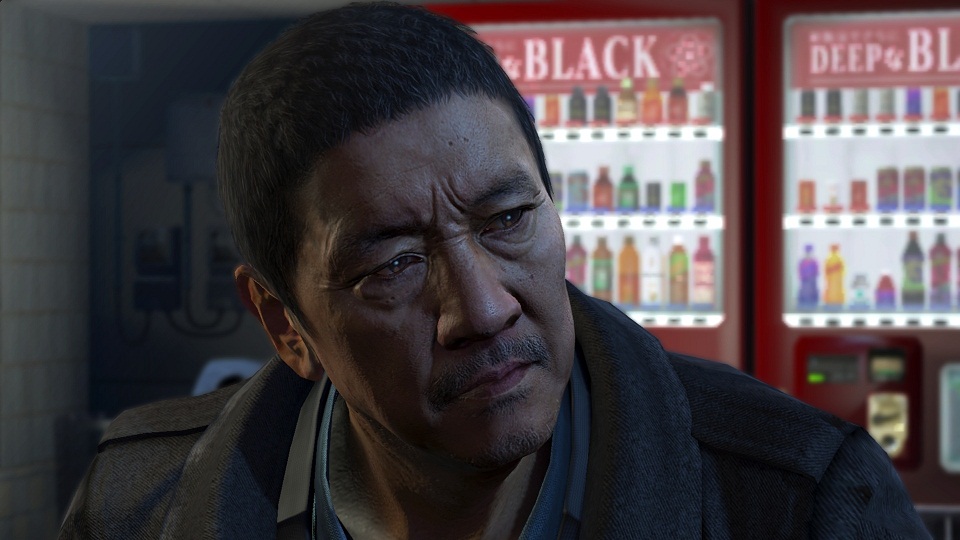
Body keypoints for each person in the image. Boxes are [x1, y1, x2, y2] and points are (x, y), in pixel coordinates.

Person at [60, 3, 931, 539]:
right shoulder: (136, 504)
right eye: (395, 263)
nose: (481, 309)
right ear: (287, 327)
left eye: (508, 220)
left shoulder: (804, 499)